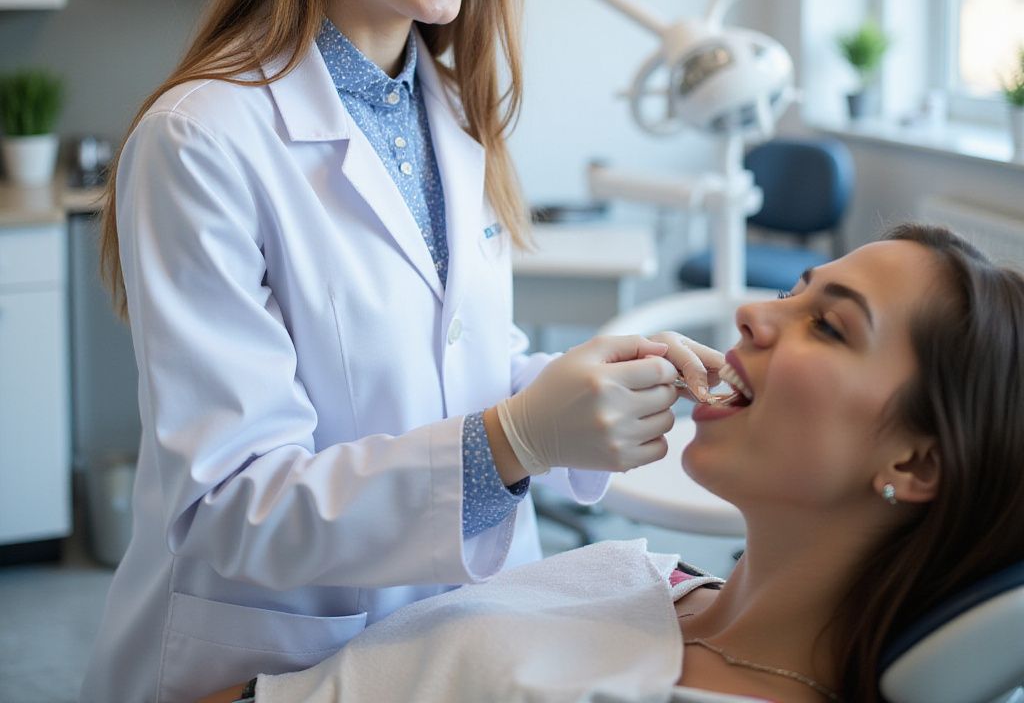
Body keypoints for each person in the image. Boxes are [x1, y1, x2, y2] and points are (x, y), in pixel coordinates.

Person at [80, 0, 718, 703]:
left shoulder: (455, 119)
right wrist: (512, 439)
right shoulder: (204, 137)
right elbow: (229, 507)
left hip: (450, 639)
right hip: (266, 658)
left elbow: (447, 363)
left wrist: (592, 386)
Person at [199, 224, 1024, 703]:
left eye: (831, 327)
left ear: (917, 461)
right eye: (794, 294)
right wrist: (523, 428)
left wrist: (518, 441)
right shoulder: (649, 576)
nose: (751, 313)